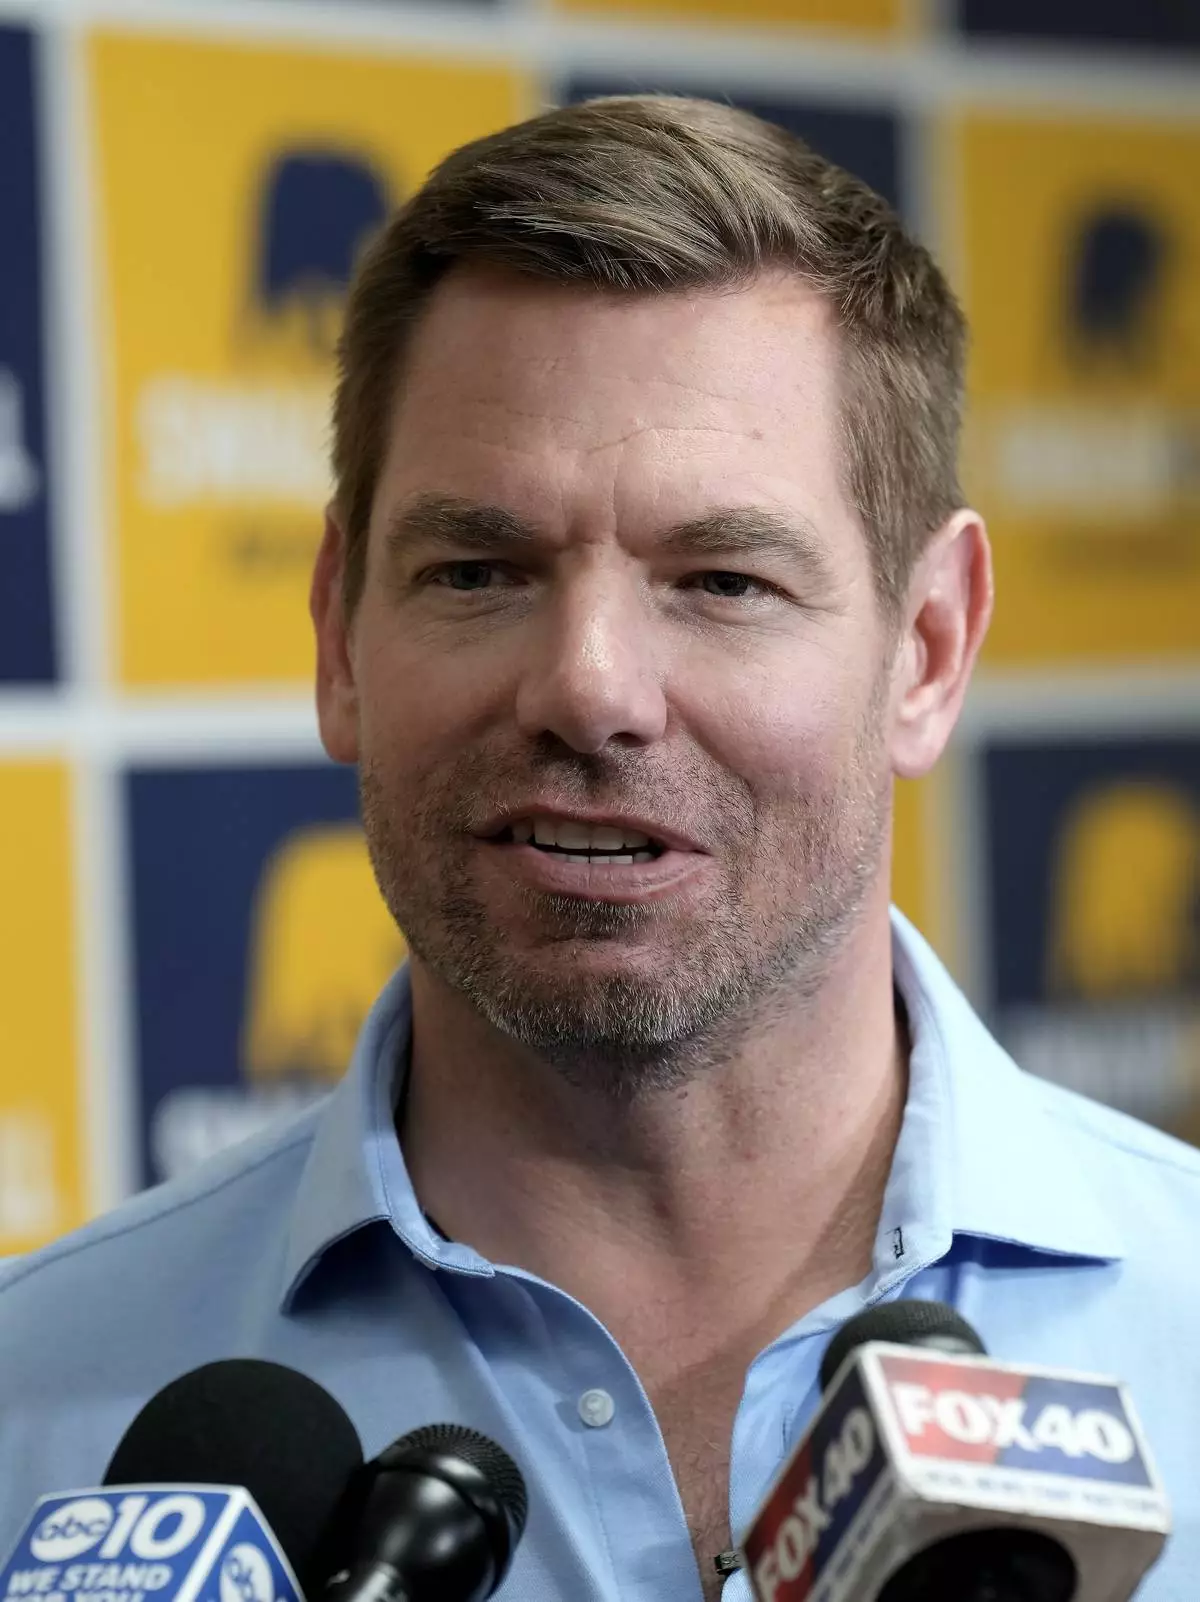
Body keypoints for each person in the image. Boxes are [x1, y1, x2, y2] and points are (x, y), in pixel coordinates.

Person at [1, 95, 1196, 1601]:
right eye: (479, 568)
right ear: (337, 636)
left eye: (723, 579)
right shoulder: (30, 1410)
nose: (588, 686)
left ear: (931, 648)